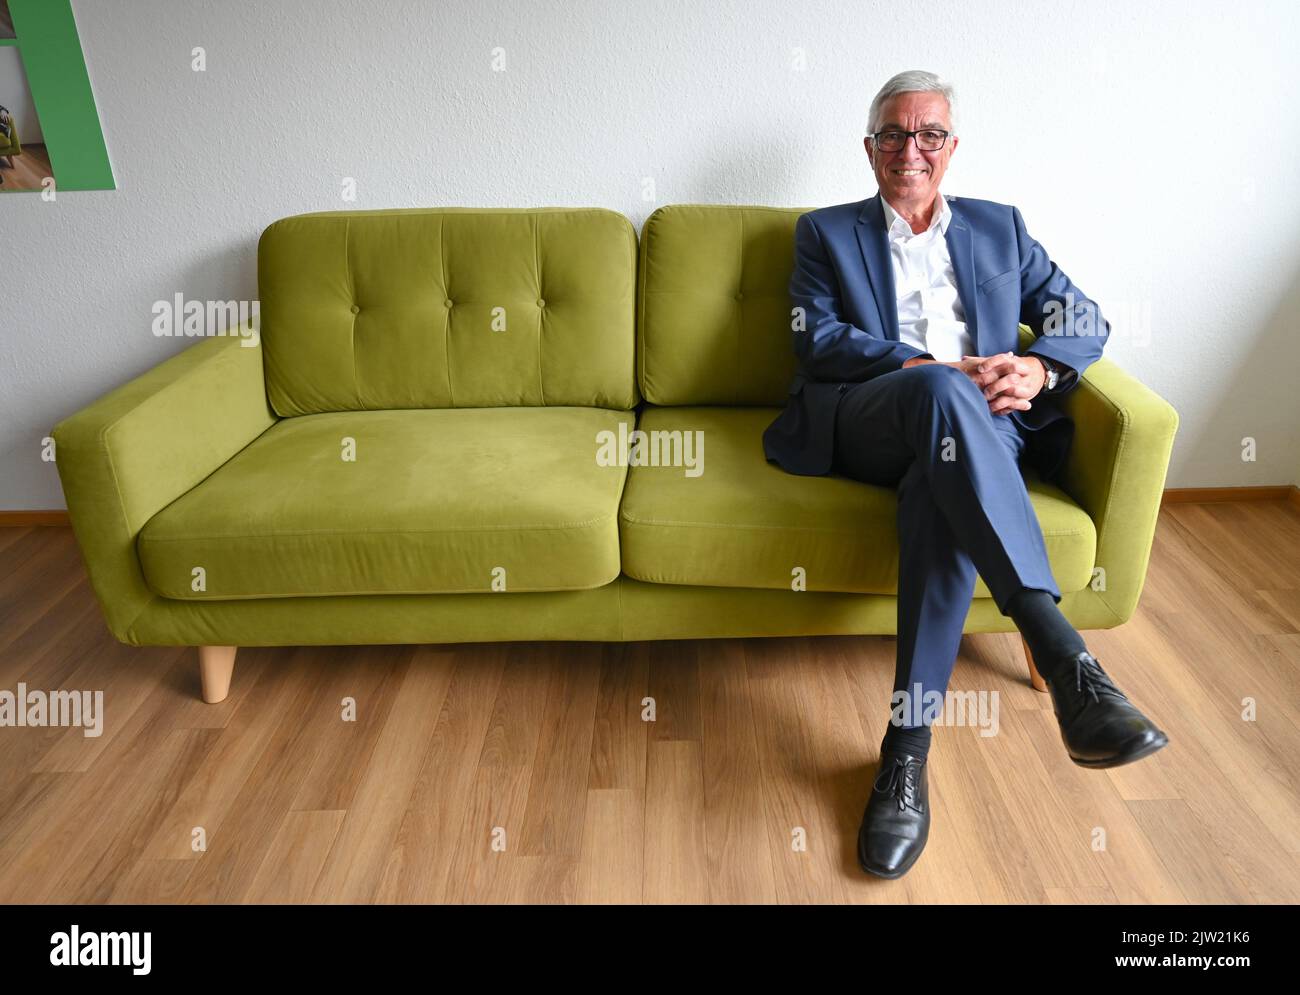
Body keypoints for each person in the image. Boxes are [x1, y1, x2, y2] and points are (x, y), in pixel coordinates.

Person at [762, 70, 1168, 879]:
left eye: (929, 135)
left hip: (977, 438)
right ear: (870, 147)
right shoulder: (824, 232)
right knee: (943, 391)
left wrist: (1041, 370)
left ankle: (903, 758)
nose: (910, 150)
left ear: (952, 146)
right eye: (893, 135)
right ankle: (1061, 655)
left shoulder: (999, 228)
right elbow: (819, 341)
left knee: (936, 496)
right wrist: (931, 365)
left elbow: (1081, 318)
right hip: (871, 417)